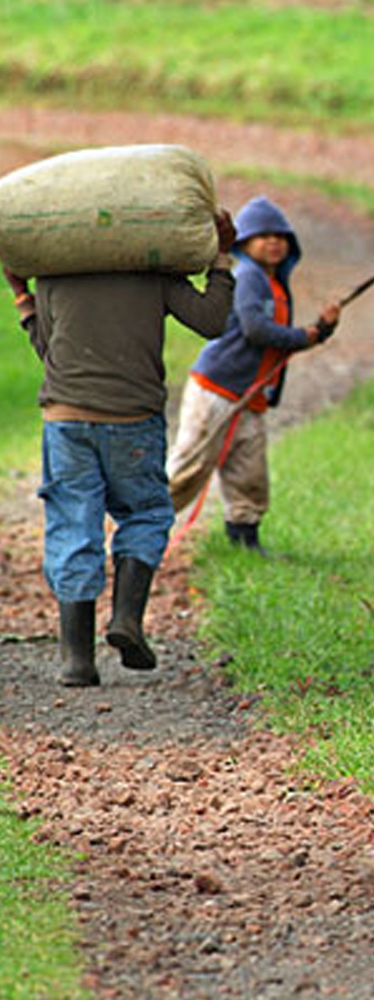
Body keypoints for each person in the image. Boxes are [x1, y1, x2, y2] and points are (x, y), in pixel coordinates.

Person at [2, 209, 237, 688]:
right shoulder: (153, 271)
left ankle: (76, 660)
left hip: (66, 420)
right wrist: (221, 258)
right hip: (133, 419)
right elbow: (213, 321)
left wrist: (23, 295)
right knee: (146, 513)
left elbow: (49, 351)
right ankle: (127, 618)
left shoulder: (57, 275)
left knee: (73, 523)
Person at [166, 195, 342, 555]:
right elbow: (256, 329)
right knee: (189, 468)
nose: (273, 242)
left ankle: (245, 542)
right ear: (244, 243)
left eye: (280, 236)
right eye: (263, 236)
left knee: (249, 474)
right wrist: (307, 336)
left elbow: (277, 338)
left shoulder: (274, 284)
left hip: (250, 397)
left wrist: (320, 331)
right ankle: (138, 529)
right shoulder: (248, 277)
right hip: (217, 390)